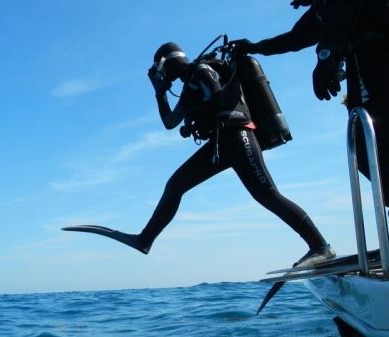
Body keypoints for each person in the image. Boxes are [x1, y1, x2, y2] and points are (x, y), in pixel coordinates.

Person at [64, 42, 335, 268]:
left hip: (238, 136)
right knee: (175, 186)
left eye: (159, 72)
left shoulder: (202, 70)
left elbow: (218, 98)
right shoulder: (189, 85)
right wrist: (160, 94)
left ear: (164, 64)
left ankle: (320, 246)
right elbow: (170, 122)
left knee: (267, 194)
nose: (160, 77)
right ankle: (145, 240)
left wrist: (197, 116)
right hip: (222, 142)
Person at [231, 0, 389, 204]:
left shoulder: (332, 7)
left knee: (371, 137)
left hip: (375, 63)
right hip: (365, 66)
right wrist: (255, 47)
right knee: (364, 144)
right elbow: (294, 38)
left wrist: (327, 58)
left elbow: (338, 20)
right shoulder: (323, 8)